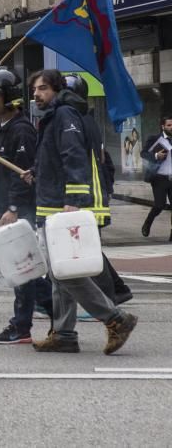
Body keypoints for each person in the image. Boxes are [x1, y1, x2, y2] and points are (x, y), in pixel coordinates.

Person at [25, 69, 137, 355]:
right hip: (49, 201)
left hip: (59, 205)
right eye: (34, 90)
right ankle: (63, 333)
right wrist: (37, 171)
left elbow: (74, 155)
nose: (36, 94)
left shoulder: (64, 115)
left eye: (42, 89)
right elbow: (54, 156)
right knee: (57, 272)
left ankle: (115, 319)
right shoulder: (52, 116)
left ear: (56, 89)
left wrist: (74, 197)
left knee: (64, 272)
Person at [0, 67, 50, 346]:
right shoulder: (3, 129)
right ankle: (59, 312)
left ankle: (21, 327)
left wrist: (14, 207)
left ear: (9, 96)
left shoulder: (22, 131)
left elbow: (24, 173)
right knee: (24, 271)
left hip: (21, 212)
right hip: (7, 208)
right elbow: (3, 173)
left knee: (21, 272)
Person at [61, 74, 132, 306]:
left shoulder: (76, 121)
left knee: (85, 249)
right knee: (87, 247)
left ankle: (111, 295)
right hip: (92, 193)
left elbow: (76, 159)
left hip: (86, 195)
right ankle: (117, 290)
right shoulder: (86, 120)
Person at [140, 114, 172, 239]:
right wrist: (155, 156)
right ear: (163, 126)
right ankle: (148, 223)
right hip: (159, 178)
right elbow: (143, 153)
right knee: (159, 205)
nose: (171, 127)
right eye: (169, 125)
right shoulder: (154, 139)